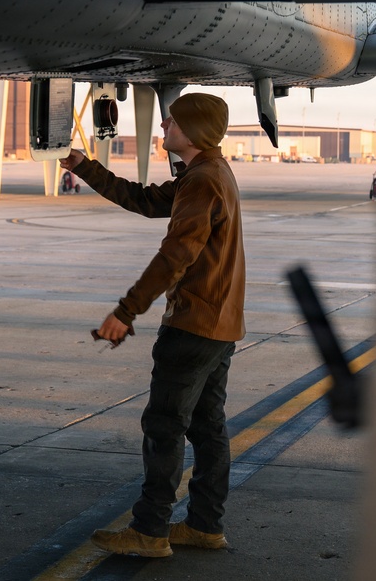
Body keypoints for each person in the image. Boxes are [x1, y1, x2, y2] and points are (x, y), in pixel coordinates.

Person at [59, 93, 246, 558]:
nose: (164, 124)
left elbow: (175, 256)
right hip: (219, 325)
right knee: (207, 429)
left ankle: (149, 531)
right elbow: (142, 199)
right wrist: (83, 164)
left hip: (193, 326)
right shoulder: (206, 175)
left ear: (195, 130)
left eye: (174, 121)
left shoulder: (203, 182)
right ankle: (204, 526)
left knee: (164, 427)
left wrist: (125, 311)